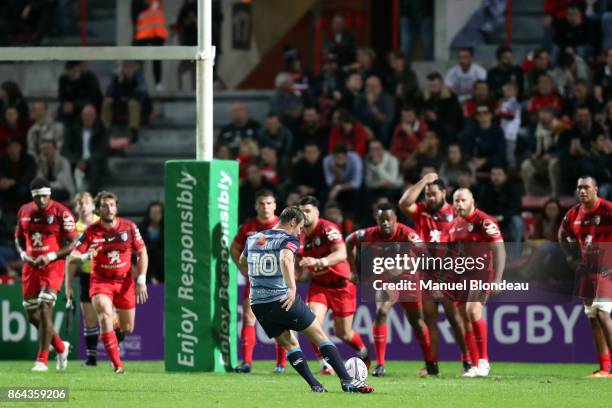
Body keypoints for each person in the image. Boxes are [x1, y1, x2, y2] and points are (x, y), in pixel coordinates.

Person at [238, 206, 373, 393]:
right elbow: (286, 259)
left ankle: (315, 385)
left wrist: (258, 277)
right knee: (320, 336)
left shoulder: (255, 238)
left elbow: (242, 262)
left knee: (290, 345)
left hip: (258, 304)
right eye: (300, 227)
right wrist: (292, 288)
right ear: (293, 222)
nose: (300, 232)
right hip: (282, 299)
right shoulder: (288, 239)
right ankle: (347, 381)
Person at [346, 202, 436, 377]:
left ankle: (430, 361)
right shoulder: (368, 234)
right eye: (381, 220)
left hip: (409, 280)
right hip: (386, 281)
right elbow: (349, 241)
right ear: (376, 220)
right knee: (381, 312)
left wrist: (403, 267)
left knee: (417, 323)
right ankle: (380, 365)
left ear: (395, 219)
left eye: (388, 219)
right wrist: (354, 270)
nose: (385, 223)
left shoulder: (408, 234)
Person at [67, 191, 149, 374]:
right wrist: (88, 255)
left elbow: (142, 252)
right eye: (104, 205)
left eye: (112, 205)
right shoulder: (91, 231)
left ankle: (116, 325)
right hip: (100, 282)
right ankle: (117, 364)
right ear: (99, 209)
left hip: (125, 282)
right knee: (103, 313)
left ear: (116, 207)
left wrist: (141, 279)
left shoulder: (129, 227)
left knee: (127, 328)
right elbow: (73, 256)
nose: (109, 209)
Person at [399, 173, 471, 374]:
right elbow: (404, 203)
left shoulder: (455, 212)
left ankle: (467, 359)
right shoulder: (421, 212)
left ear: (444, 193)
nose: (429, 198)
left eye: (433, 194)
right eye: (427, 195)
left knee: (454, 317)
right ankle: (433, 364)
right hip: (426, 273)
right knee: (429, 319)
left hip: (450, 273)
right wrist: (422, 181)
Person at [297, 196, 370, 375]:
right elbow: (297, 260)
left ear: (316, 212)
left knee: (343, 333)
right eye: (302, 211)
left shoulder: (328, 229)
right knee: (310, 325)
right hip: (319, 285)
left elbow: (341, 253)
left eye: (307, 211)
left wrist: (319, 262)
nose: (304, 215)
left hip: (341, 285)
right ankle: (326, 364)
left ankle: (363, 353)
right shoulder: (298, 233)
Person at [14, 177, 77, 371]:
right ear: (32, 197)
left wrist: (51, 255)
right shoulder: (24, 211)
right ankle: (60, 346)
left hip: (53, 266)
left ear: (49, 194)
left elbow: (73, 243)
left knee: (44, 307)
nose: (41, 201)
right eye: (37, 198)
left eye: (44, 196)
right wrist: (24, 254)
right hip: (31, 267)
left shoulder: (61, 212)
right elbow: (18, 238)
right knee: (33, 316)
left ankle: (41, 360)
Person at [558, 176, 612, 378]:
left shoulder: (607, 209)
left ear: (596, 189)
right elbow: (561, 235)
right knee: (592, 317)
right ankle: (604, 368)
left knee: (602, 313)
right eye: (579, 187)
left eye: (586, 187)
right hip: (587, 272)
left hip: (607, 270)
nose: (582, 191)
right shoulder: (573, 214)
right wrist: (571, 258)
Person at [449, 188, 506, 378]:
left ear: (472, 200)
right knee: (463, 319)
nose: (459, 204)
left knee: (472, 311)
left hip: (482, 273)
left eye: (463, 200)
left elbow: (499, 249)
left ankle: (484, 361)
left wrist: (497, 278)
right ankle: (473, 365)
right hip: (461, 276)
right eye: (456, 201)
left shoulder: (484, 221)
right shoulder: (454, 224)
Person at [230, 190, 286, 373]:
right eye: (261, 203)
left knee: (279, 320)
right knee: (248, 316)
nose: (265, 207)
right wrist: (242, 269)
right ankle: (247, 363)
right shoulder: (248, 227)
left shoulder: (284, 225)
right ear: (256, 206)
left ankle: (281, 364)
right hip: (256, 279)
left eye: (269, 203)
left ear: (275, 205)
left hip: (278, 280)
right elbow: (235, 248)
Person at [64, 192, 100, 366]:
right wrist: (68, 284)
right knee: (89, 318)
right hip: (87, 275)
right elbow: (70, 260)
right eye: (79, 203)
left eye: (86, 202)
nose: (82, 206)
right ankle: (91, 358)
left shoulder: (102, 223)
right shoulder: (73, 230)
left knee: (110, 315)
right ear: (76, 207)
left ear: (93, 205)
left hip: (107, 274)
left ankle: (116, 351)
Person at [62, 104, 109, 194]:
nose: (88, 118)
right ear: (81, 116)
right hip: (76, 161)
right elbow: (65, 150)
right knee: (68, 168)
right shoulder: (72, 129)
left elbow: (103, 150)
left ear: (95, 116)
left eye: (91, 115)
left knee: (95, 169)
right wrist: (76, 160)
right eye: (86, 115)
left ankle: (93, 198)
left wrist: (87, 161)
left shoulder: (101, 130)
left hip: (93, 161)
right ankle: (73, 198)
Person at [132, 0, 169, 91]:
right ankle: (138, 83)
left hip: (157, 33)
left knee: (156, 60)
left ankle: (158, 83)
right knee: (139, 60)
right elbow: (134, 17)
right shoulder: (138, 2)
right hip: (143, 34)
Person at [57, 61, 103, 126]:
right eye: (68, 71)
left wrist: (74, 105)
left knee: (85, 110)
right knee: (61, 109)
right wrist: (65, 103)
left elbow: (93, 98)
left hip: (86, 105)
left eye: (73, 70)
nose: (70, 73)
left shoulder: (89, 77)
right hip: (69, 106)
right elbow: (61, 95)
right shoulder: (63, 78)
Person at [139, 201, 164, 283]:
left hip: (161, 259)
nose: (155, 215)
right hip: (146, 256)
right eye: (153, 213)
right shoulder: (142, 227)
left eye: (158, 213)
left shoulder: (166, 228)